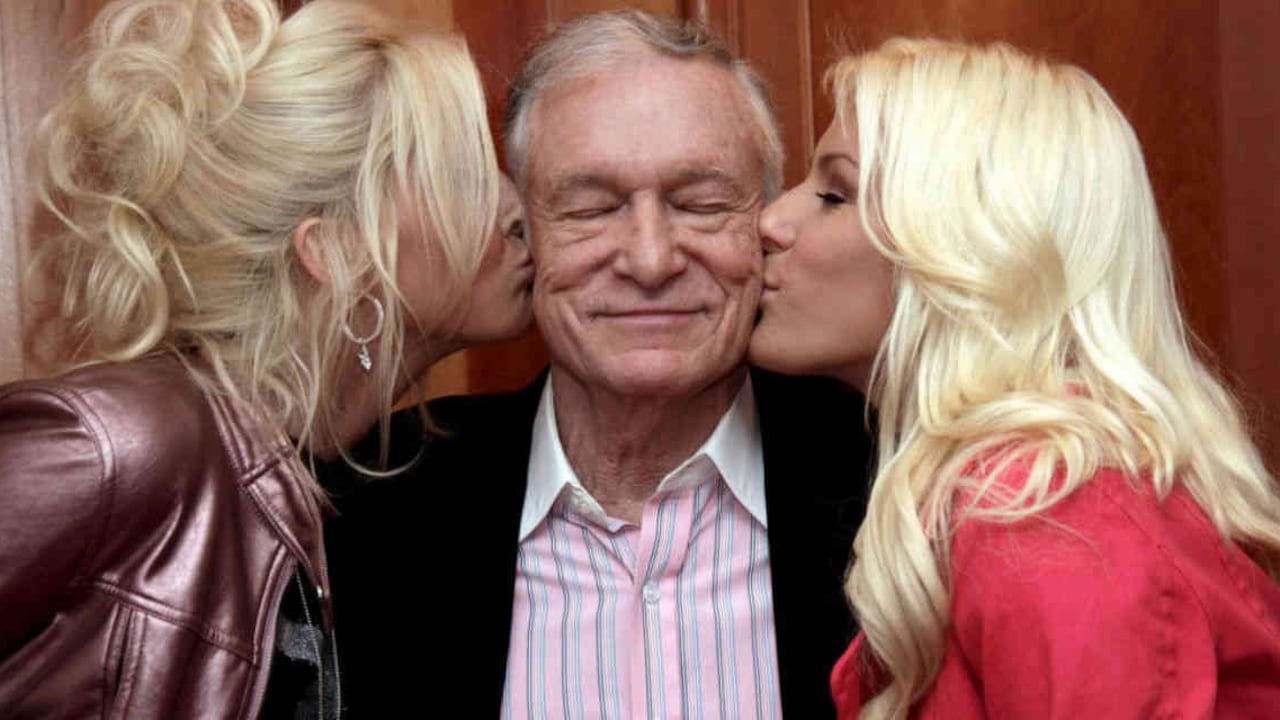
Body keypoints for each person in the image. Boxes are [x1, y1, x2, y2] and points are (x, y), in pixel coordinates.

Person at [323, 9, 873, 719]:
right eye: (589, 209)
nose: (650, 260)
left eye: (701, 204)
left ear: (766, 226)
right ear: (526, 233)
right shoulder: (366, 510)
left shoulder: (898, 493)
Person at [0, 0, 531, 717]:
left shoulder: (320, 477)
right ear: (337, 250)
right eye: (462, 177)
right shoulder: (120, 443)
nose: (515, 208)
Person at [750, 37, 1280, 719]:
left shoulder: (1054, 519)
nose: (771, 221)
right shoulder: (1008, 500)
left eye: (834, 194)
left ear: (970, 245)